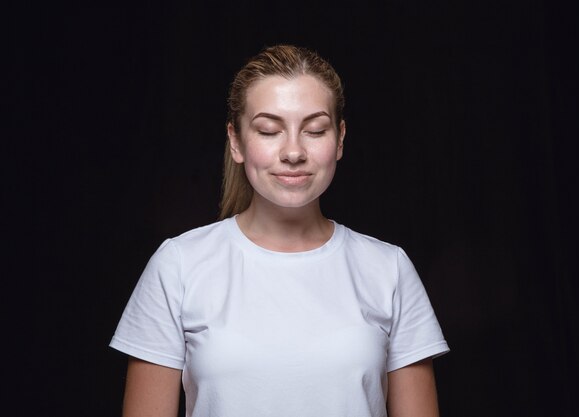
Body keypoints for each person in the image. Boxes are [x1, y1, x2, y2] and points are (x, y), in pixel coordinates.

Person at [110, 44, 450, 417]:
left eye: (315, 130)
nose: (293, 151)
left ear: (339, 139)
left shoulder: (389, 269)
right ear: (236, 141)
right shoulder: (178, 264)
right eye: (270, 130)